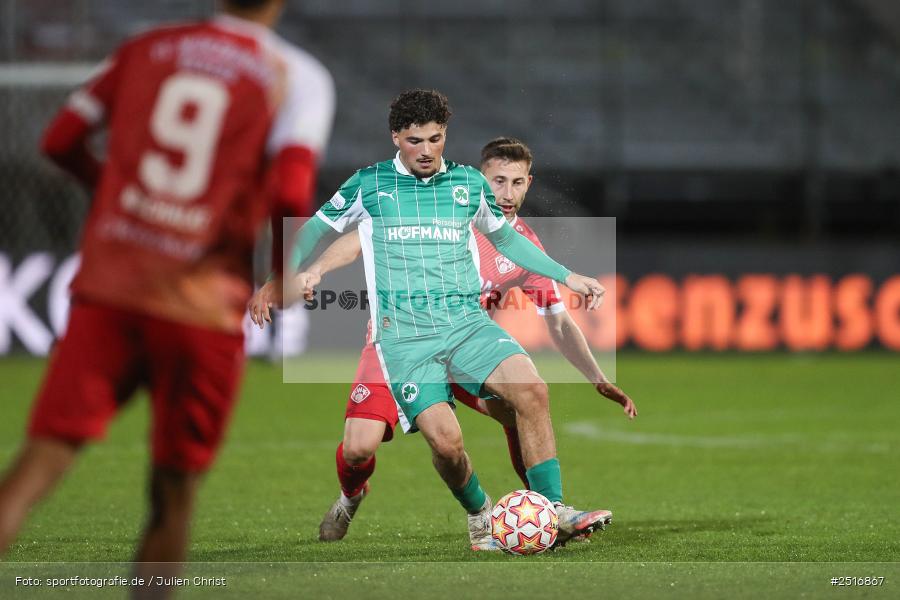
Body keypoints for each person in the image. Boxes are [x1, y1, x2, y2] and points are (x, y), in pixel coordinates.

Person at [0, 0, 334, 592]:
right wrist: (284, 273)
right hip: (201, 305)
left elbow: (59, 139)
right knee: (173, 492)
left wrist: (111, 190)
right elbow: (289, 189)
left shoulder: (145, 46)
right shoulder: (295, 76)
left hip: (112, 287)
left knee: (39, 462)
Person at [264, 89, 612, 551]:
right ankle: (455, 510)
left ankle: (551, 510)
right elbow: (325, 231)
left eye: (436, 138)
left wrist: (568, 275)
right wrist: (288, 274)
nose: (427, 150)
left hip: (465, 326)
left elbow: (507, 242)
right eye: (415, 140)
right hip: (403, 339)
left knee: (530, 392)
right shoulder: (370, 184)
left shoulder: (467, 185)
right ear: (396, 137)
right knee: (420, 446)